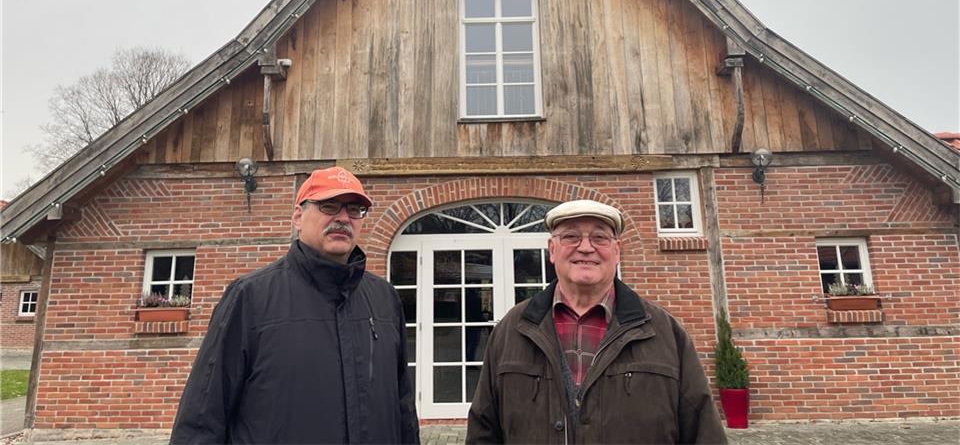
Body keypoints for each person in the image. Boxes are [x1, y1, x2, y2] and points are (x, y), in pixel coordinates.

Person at [170, 166, 419, 444]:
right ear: (298, 217)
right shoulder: (250, 297)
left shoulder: (384, 298)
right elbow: (202, 418)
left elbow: (403, 407)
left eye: (354, 209)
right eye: (329, 206)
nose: (343, 218)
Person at [466, 199, 726, 444]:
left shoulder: (665, 332)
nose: (586, 247)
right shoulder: (512, 329)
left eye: (599, 237)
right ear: (552, 250)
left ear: (617, 251)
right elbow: (483, 432)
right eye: (571, 236)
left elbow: (704, 434)